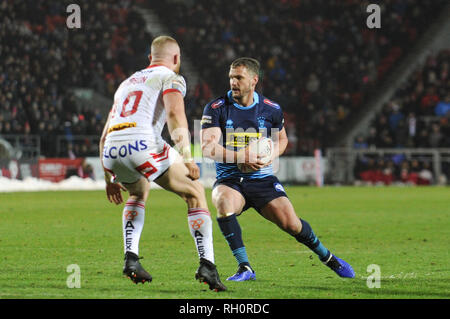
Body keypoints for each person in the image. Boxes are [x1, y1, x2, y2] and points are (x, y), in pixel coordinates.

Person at [200, 57, 354, 281]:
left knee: (292, 224)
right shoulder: (216, 108)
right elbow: (208, 147)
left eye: (239, 78)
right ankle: (245, 267)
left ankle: (329, 258)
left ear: (254, 80)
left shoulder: (271, 109)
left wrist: (268, 156)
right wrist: (240, 156)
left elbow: (282, 141)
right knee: (222, 202)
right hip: (231, 180)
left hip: (262, 180)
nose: (233, 82)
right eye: (231, 77)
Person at [99, 36, 226, 291]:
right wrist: (188, 157)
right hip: (142, 144)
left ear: (150, 58)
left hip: (111, 149)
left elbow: (104, 135)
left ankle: (131, 258)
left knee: (138, 191)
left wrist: (108, 178)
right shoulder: (172, 78)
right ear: (177, 59)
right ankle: (207, 265)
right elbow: (174, 114)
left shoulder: (125, 83)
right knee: (195, 191)